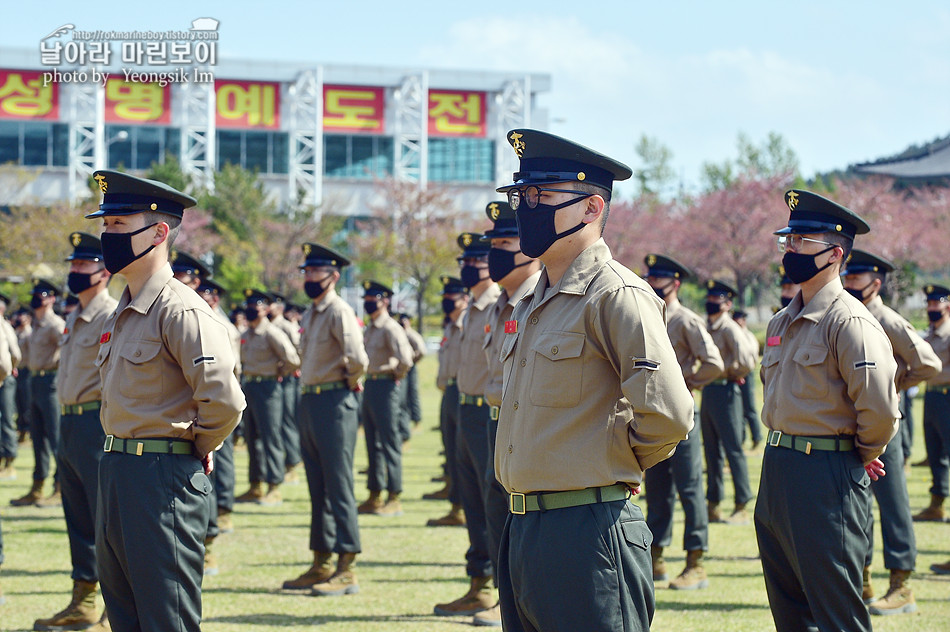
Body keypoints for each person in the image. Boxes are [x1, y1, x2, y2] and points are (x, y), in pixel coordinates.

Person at [494, 128, 694, 632]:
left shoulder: (616, 294)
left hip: (589, 529)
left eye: (542, 197)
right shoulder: (533, 300)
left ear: (591, 208)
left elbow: (669, 413)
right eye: (523, 195)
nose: (527, 208)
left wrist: (611, 463)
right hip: (523, 526)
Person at [87, 168, 245, 631]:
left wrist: (198, 444)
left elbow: (225, 401)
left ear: (158, 232)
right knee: (125, 615)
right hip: (117, 469)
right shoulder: (127, 308)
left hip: (162, 479)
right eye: (106, 224)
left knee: (165, 618)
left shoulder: (183, 310)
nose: (107, 234)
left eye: (119, 225)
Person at [755, 189, 899, 632]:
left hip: (826, 473)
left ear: (835, 253)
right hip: (778, 467)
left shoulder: (849, 321)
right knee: (789, 609)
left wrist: (857, 453)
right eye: (788, 242)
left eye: (801, 242)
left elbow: (879, 409)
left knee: (837, 611)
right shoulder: (781, 320)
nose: (789, 251)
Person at [841, 250, 940, 614]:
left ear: (876, 283)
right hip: (850, 423)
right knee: (858, 506)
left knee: (893, 503)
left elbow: (929, 362)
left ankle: (902, 583)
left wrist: (896, 384)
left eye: (856, 279)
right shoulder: (846, 314)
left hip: (884, 424)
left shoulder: (887, 318)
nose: (849, 283)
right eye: (848, 278)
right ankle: (863, 580)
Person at [30, 233, 116, 631]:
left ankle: (110, 611)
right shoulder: (74, 316)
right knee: (78, 518)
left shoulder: (111, 316)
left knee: (104, 522)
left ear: (103, 271)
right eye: (74, 265)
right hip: (69, 421)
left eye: (82, 265)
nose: (74, 272)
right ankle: (82, 603)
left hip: (95, 424)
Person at [282, 243, 368, 596]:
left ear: (333, 276)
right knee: (317, 486)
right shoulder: (312, 312)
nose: (309, 278)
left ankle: (347, 565)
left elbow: (358, 359)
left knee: (338, 485)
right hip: (312, 401)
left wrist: (346, 384)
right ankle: (322, 561)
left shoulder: (338, 311)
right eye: (306, 272)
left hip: (335, 400)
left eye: (315, 272)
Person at [476, 200, 543, 626]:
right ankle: (509, 605)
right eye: (493, 244)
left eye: (505, 243)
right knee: (498, 519)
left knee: (526, 524)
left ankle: (530, 605)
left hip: (530, 429)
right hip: (495, 424)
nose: (494, 253)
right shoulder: (498, 306)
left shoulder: (539, 299)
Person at [644, 254, 724, 590]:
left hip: (682, 418)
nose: (651, 284)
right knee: (657, 490)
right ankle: (656, 558)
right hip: (652, 418)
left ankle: (696, 561)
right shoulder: (646, 315)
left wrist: (683, 380)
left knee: (690, 489)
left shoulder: (687, 321)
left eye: (658, 279)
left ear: (674, 284)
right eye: (649, 277)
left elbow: (714, 363)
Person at [433, 232, 502, 619]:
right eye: (466, 261)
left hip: (486, 413)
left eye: (476, 260)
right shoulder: (473, 308)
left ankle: (499, 593)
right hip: (464, 411)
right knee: (472, 504)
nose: (468, 267)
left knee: (494, 505)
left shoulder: (499, 304)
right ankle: (478, 585)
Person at [235, 289, 300, 506]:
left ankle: (274, 485)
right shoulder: (245, 335)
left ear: (265, 310)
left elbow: (292, 359)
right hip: (250, 387)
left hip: (269, 388)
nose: (251, 309)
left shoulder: (272, 333)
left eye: (256, 305)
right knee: (252, 438)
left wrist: (279, 372)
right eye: (249, 305)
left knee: (271, 437)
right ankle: (256, 484)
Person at [195, 277, 242, 575]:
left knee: (217, 469)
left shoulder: (222, 326)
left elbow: (228, 371)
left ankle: (216, 525)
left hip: (215, 404)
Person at [701, 279, 757, 524]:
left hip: (726, 391)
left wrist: (730, 371)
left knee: (733, 449)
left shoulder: (730, 328)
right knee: (711, 451)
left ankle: (741, 502)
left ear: (727, 304)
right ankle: (713, 504)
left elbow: (747, 360)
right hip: (709, 393)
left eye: (717, 299)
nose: (712, 303)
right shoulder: (706, 326)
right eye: (710, 298)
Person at [357, 280, 413, 516]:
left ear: (385, 301)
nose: (370, 304)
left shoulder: (391, 328)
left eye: (374, 300)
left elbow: (406, 360)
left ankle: (394, 495)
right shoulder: (370, 328)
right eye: (367, 300)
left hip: (386, 386)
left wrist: (393, 377)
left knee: (389, 443)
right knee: (372, 442)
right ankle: (375, 493)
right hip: (370, 385)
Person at [10, 279, 64, 507]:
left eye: (41, 295)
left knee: (55, 438)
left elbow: (69, 351)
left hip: (51, 382)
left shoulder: (56, 324)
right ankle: (37, 486)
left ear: (51, 298)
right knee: (38, 438)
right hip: (34, 381)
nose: (36, 299)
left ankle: (61, 486)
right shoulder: (35, 326)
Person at [425, 276, 469, 527]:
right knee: (451, 452)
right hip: (449, 392)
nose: (446, 302)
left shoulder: (467, 324)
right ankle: (455, 506)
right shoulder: (450, 327)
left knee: (462, 455)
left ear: (464, 299)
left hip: (464, 391)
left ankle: (463, 507)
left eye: (451, 297)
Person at [922, 284, 950, 575]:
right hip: (932, 397)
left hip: (948, 397)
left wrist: (931, 370)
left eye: (936, 305)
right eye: (928, 305)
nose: (931, 309)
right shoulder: (929, 334)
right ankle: (936, 503)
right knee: (935, 455)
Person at [268, 292, 303, 485]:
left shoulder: (287, 327)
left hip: (287, 380)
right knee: (275, 425)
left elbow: (298, 353)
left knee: (287, 421)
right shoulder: (267, 326)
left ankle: (291, 464)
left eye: (271, 304)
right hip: (273, 382)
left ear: (280, 307)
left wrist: (285, 369)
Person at [732, 310, 763, 449]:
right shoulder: (733, 333)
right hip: (734, 376)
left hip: (746, 375)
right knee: (738, 410)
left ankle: (756, 437)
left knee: (749, 408)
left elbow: (753, 357)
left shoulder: (748, 336)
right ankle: (741, 438)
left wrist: (743, 372)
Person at [0, 291, 21, 480]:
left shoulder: (4, 325)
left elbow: (15, 354)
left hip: (4, 379)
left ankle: (9, 460)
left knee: (7, 419)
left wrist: (9, 370)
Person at [396, 312, 426, 443]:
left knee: (412, 395)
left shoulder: (411, 334)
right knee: (402, 399)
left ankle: (415, 421)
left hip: (410, 368)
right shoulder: (397, 332)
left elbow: (422, 350)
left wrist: (412, 360)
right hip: (401, 369)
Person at [13, 309, 32, 444]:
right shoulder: (17, 332)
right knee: (19, 402)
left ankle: (27, 430)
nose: (20, 317)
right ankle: (21, 428)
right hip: (17, 371)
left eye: (22, 315)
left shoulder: (29, 333)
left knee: (26, 402)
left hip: (26, 371)